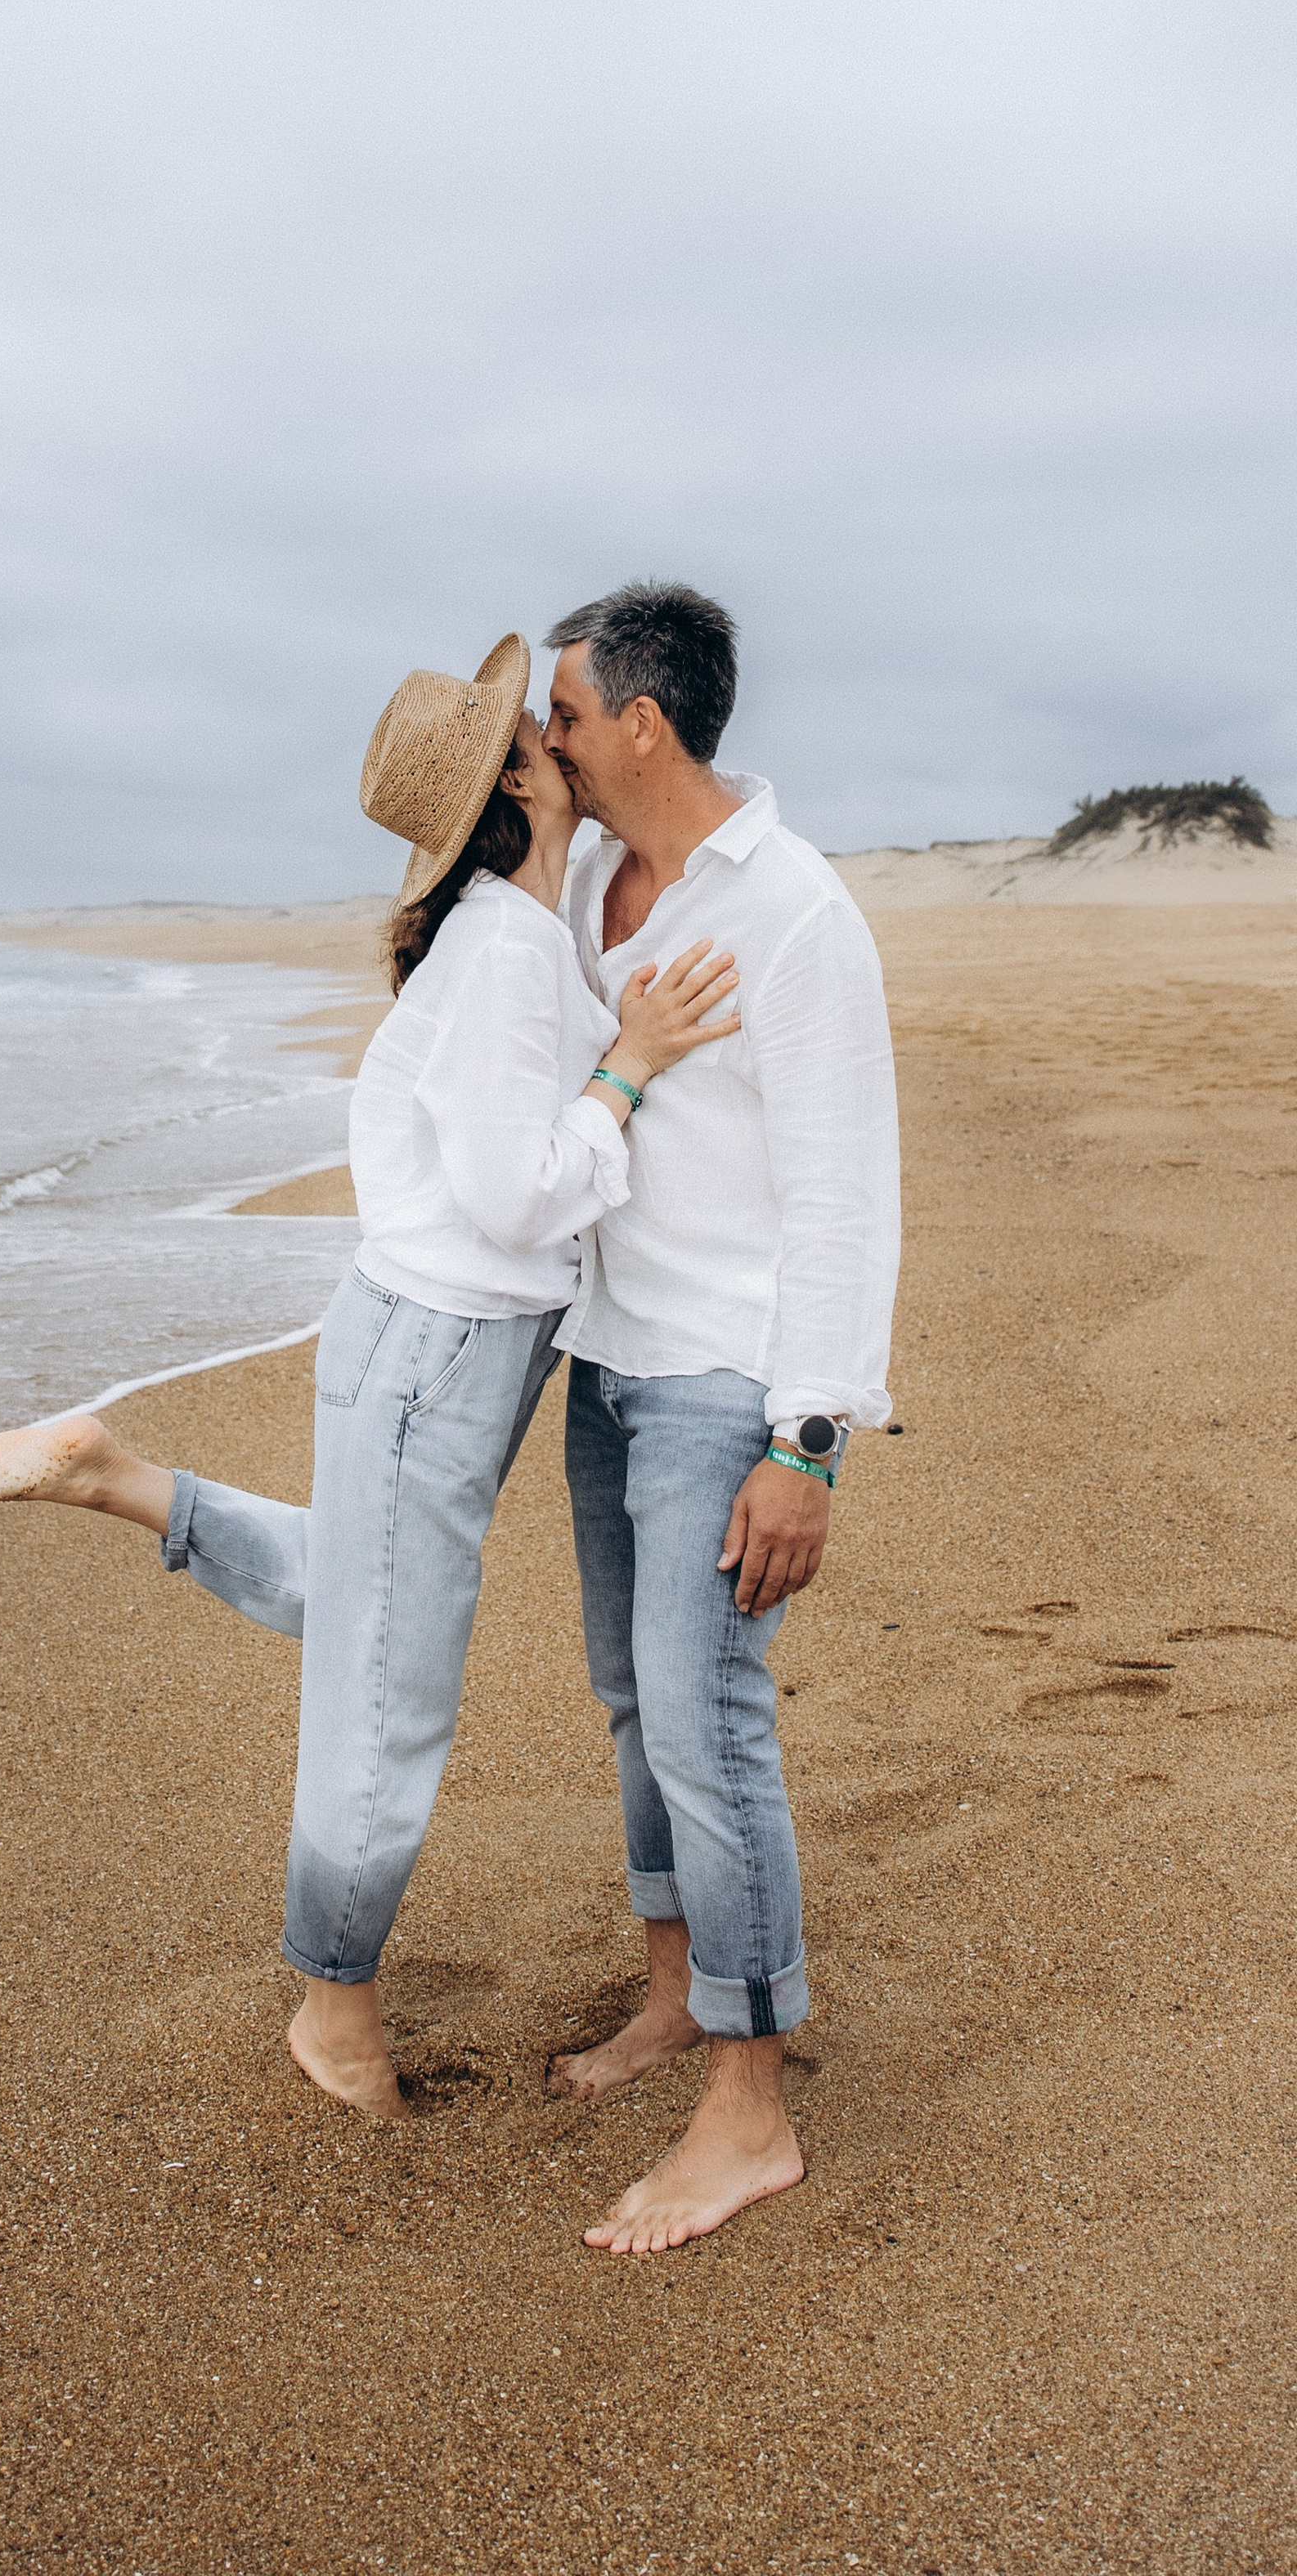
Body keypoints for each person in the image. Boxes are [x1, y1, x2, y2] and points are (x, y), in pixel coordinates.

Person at [0, 634, 740, 2121]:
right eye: (546, 728)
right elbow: (510, 1196)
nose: (568, 735)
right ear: (521, 776)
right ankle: (332, 2005)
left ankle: (119, 1478)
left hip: (425, 1348)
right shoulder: (497, 954)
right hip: (438, 1353)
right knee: (385, 1690)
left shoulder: (509, 922)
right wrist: (630, 1066)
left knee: (355, 1606)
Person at [536, 582, 901, 2257]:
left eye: (560, 712)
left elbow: (843, 1198)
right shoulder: (585, 887)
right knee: (632, 1704)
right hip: (604, 1362)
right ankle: (678, 1991)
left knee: (708, 1722)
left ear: (640, 722)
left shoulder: (797, 912)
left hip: (725, 1382)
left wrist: (802, 1441)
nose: (543, 738)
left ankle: (747, 2111)